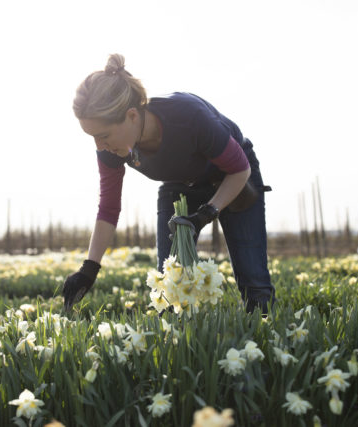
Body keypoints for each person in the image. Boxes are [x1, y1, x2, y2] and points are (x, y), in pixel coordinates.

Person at [63, 54, 275, 314]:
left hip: (232, 178)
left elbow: (240, 169)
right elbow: (108, 209)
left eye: (103, 135)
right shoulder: (110, 150)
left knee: (255, 287)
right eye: (92, 138)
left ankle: (263, 336)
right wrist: (88, 270)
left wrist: (207, 213)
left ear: (131, 115)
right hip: (179, 187)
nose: (99, 146)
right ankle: (188, 345)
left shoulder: (187, 117)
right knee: (171, 287)